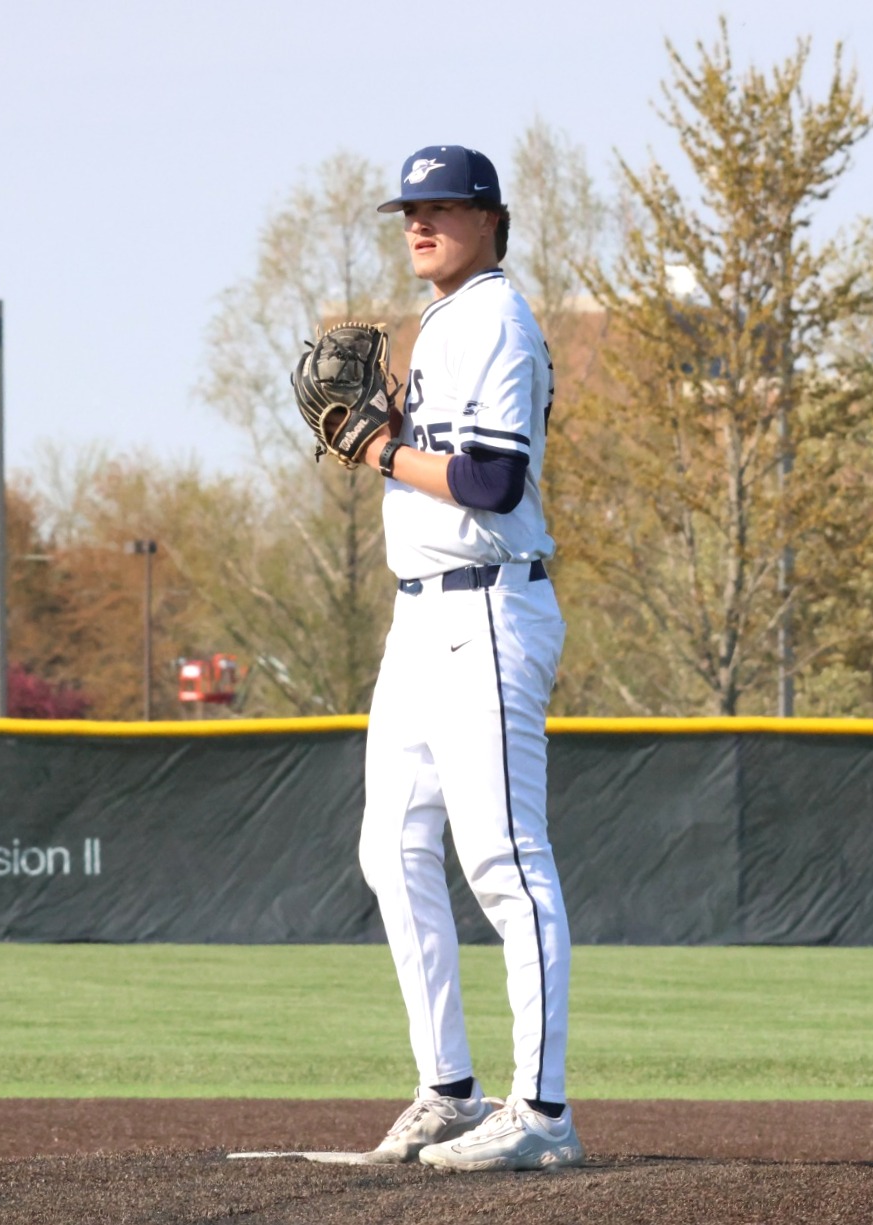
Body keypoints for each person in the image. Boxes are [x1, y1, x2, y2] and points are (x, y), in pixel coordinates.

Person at [349, 144, 581, 1172]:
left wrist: (380, 451)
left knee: (504, 861)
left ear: (491, 219)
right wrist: (399, 426)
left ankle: (542, 1113)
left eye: (443, 205)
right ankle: (448, 1086)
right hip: (422, 621)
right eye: (411, 207)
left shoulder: (492, 313)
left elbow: (490, 482)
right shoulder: (448, 321)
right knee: (392, 844)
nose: (420, 221)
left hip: (486, 610)